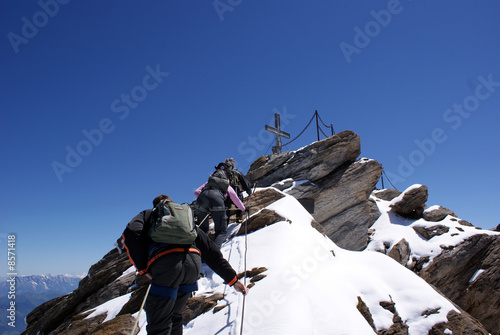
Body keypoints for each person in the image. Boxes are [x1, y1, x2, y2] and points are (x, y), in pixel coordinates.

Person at [122, 194, 248, 335]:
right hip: (193, 264)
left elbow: (131, 232)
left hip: (167, 265)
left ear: (156, 206)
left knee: (159, 324)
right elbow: (211, 252)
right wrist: (233, 279)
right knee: (175, 317)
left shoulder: (149, 214)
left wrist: (143, 269)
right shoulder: (185, 220)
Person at [194, 162, 247, 248]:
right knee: (221, 231)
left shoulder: (209, 182)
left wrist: (206, 204)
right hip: (217, 199)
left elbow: (196, 192)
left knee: (202, 230)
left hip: (201, 200)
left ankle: (197, 251)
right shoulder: (226, 184)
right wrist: (244, 209)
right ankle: (214, 255)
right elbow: (235, 198)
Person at [224, 158, 253, 223]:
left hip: (225, 193)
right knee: (239, 201)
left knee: (226, 209)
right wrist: (249, 191)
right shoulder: (236, 172)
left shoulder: (222, 173)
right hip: (235, 192)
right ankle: (239, 218)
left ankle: (225, 224)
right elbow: (244, 182)